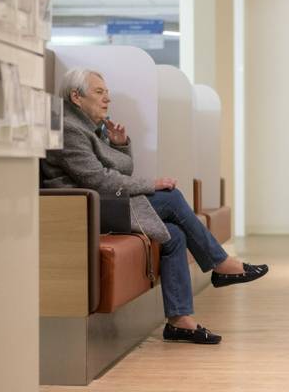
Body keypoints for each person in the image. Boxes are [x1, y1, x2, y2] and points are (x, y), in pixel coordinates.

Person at [41, 68, 268, 344]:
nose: (107, 99)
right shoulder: (69, 130)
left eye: (107, 93)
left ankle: (179, 321)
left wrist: (120, 145)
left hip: (103, 203)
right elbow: (99, 180)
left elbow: (123, 168)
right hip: (81, 211)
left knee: (175, 234)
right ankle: (221, 264)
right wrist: (152, 184)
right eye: (99, 93)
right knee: (170, 197)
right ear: (76, 97)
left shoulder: (89, 127)